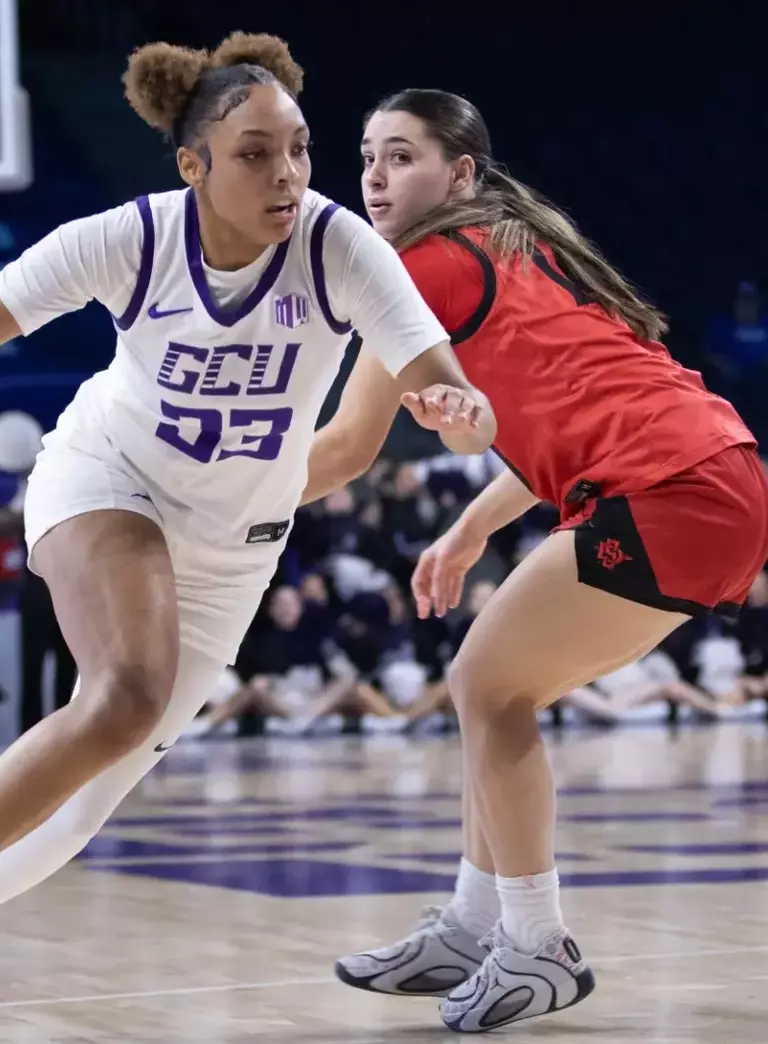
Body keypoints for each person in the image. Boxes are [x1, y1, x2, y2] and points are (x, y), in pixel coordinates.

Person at [300, 89, 768, 1033]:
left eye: (403, 157)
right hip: (709, 473)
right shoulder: (522, 249)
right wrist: (472, 528)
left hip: (671, 485)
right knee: (494, 686)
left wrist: (201, 510)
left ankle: (536, 944)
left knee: (487, 684)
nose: (376, 177)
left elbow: (349, 448)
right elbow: (560, 413)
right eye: (367, 156)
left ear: (461, 175)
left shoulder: (423, 267)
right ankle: (479, 925)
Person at [0, 53, 496, 909]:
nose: (288, 176)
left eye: (300, 150)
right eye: (256, 154)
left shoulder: (339, 246)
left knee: (72, 818)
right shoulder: (135, 237)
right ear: (195, 165)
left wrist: (458, 411)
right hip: (110, 480)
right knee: (123, 699)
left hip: (232, 555)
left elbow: (465, 410)